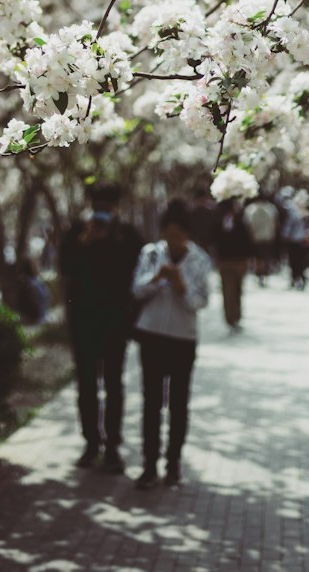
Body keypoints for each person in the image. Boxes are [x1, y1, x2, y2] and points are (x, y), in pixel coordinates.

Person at [59, 180, 142, 472]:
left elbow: (136, 274)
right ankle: (91, 442)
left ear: (116, 207)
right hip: (83, 321)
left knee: (114, 385)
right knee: (86, 385)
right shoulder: (76, 233)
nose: (101, 211)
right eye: (97, 206)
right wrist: (83, 243)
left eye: (106, 206)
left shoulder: (128, 235)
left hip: (115, 322)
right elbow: (64, 269)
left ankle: (113, 447)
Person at [131, 198, 212, 489]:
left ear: (188, 235)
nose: (174, 240)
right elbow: (137, 291)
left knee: (179, 403)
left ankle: (173, 461)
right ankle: (149, 463)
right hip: (151, 335)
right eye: (169, 233)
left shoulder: (199, 260)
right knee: (151, 402)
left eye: (179, 235)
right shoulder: (151, 254)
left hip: (182, 338)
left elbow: (200, 301)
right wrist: (157, 279)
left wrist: (181, 287)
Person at [214, 197, 254, 330]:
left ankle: (236, 315)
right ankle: (230, 317)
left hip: (239, 261)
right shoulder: (219, 222)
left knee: (237, 289)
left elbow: (248, 240)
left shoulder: (241, 221)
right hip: (225, 261)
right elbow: (214, 239)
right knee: (227, 290)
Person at [243, 192, 279, 284]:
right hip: (268, 236)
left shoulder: (250, 209)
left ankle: (260, 274)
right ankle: (263, 274)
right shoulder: (271, 208)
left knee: (258, 258)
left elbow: (247, 224)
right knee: (265, 256)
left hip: (255, 237)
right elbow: (276, 224)